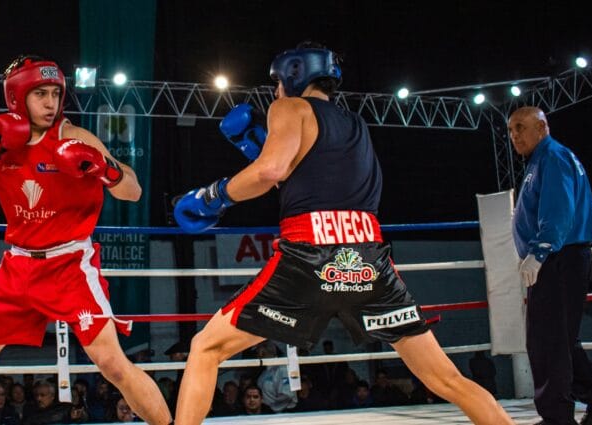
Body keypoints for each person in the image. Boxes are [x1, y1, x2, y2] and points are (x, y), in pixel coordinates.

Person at [172, 43, 514, 425]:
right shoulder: (356, 126)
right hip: (369, 260)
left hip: (309, 255)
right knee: (446, 378)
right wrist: (263, 152)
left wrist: (212, 196)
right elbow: (316, 178)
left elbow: (269, 173)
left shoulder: (288, 108)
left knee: (205, 348)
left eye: (276, 83)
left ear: (293, 75)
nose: (274, 91)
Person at [0, 55, 171, 425]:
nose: (51, 103)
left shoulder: (74, 137)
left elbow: (132, 191)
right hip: (18, 265)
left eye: (55, 93)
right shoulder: (1, 139)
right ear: (19, 97)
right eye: (41, 94)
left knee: (113, 364)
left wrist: (108, 169)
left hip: (70, 265)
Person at [509, 106, 592, 425]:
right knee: (557, 338)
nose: (514, 135)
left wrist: (540, 251)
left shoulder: (553, 157)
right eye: (510, 130)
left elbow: (559, 209)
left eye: (520, 126)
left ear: (542, 127)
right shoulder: (541, 160)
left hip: (559, 258)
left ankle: (558, 417)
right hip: (560, 259)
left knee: (547, 341)